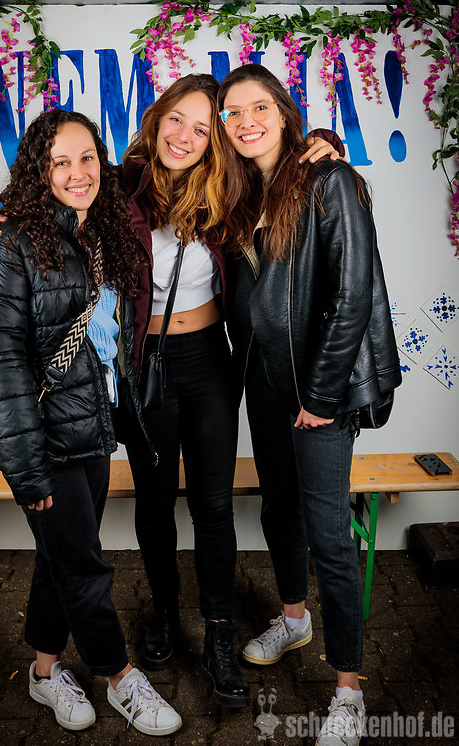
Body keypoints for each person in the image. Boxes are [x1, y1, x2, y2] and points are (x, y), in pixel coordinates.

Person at [0, 75, 342, 709]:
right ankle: (165, 612)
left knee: (213, 505)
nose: (185, 136)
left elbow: (282, 165)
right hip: (143, 366)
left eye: (202, 128)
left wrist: (325, 140)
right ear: (156, 118)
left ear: (215, 138)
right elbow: (49, 195)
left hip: (210, 363)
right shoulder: (120, 184)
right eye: (177, 120)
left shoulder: (233, 187)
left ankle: (219, 633)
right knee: (154, 500)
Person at [0, 109, 183, 736]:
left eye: (86, 157)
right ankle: (119, 676)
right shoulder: (10, 247)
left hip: (91, 430)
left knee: (58, 557)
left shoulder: (100, 233)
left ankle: (43, 672)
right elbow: (0, 368)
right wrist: (27, 470)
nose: (77, 172)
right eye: (59, 161)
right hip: (43, 442)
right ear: (38, 172)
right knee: (84, 565)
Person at [214, 64, 401, 746]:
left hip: (319, 387)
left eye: (258, 108)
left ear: (284, 112)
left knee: (328, 532)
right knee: (278, 507)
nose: (246, 123)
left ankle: (348, 689)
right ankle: (294, 619)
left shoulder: (329, 181)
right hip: (264, 380)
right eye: (232, 113)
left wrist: (321, 397)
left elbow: (353, 293)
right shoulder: (240, 194)